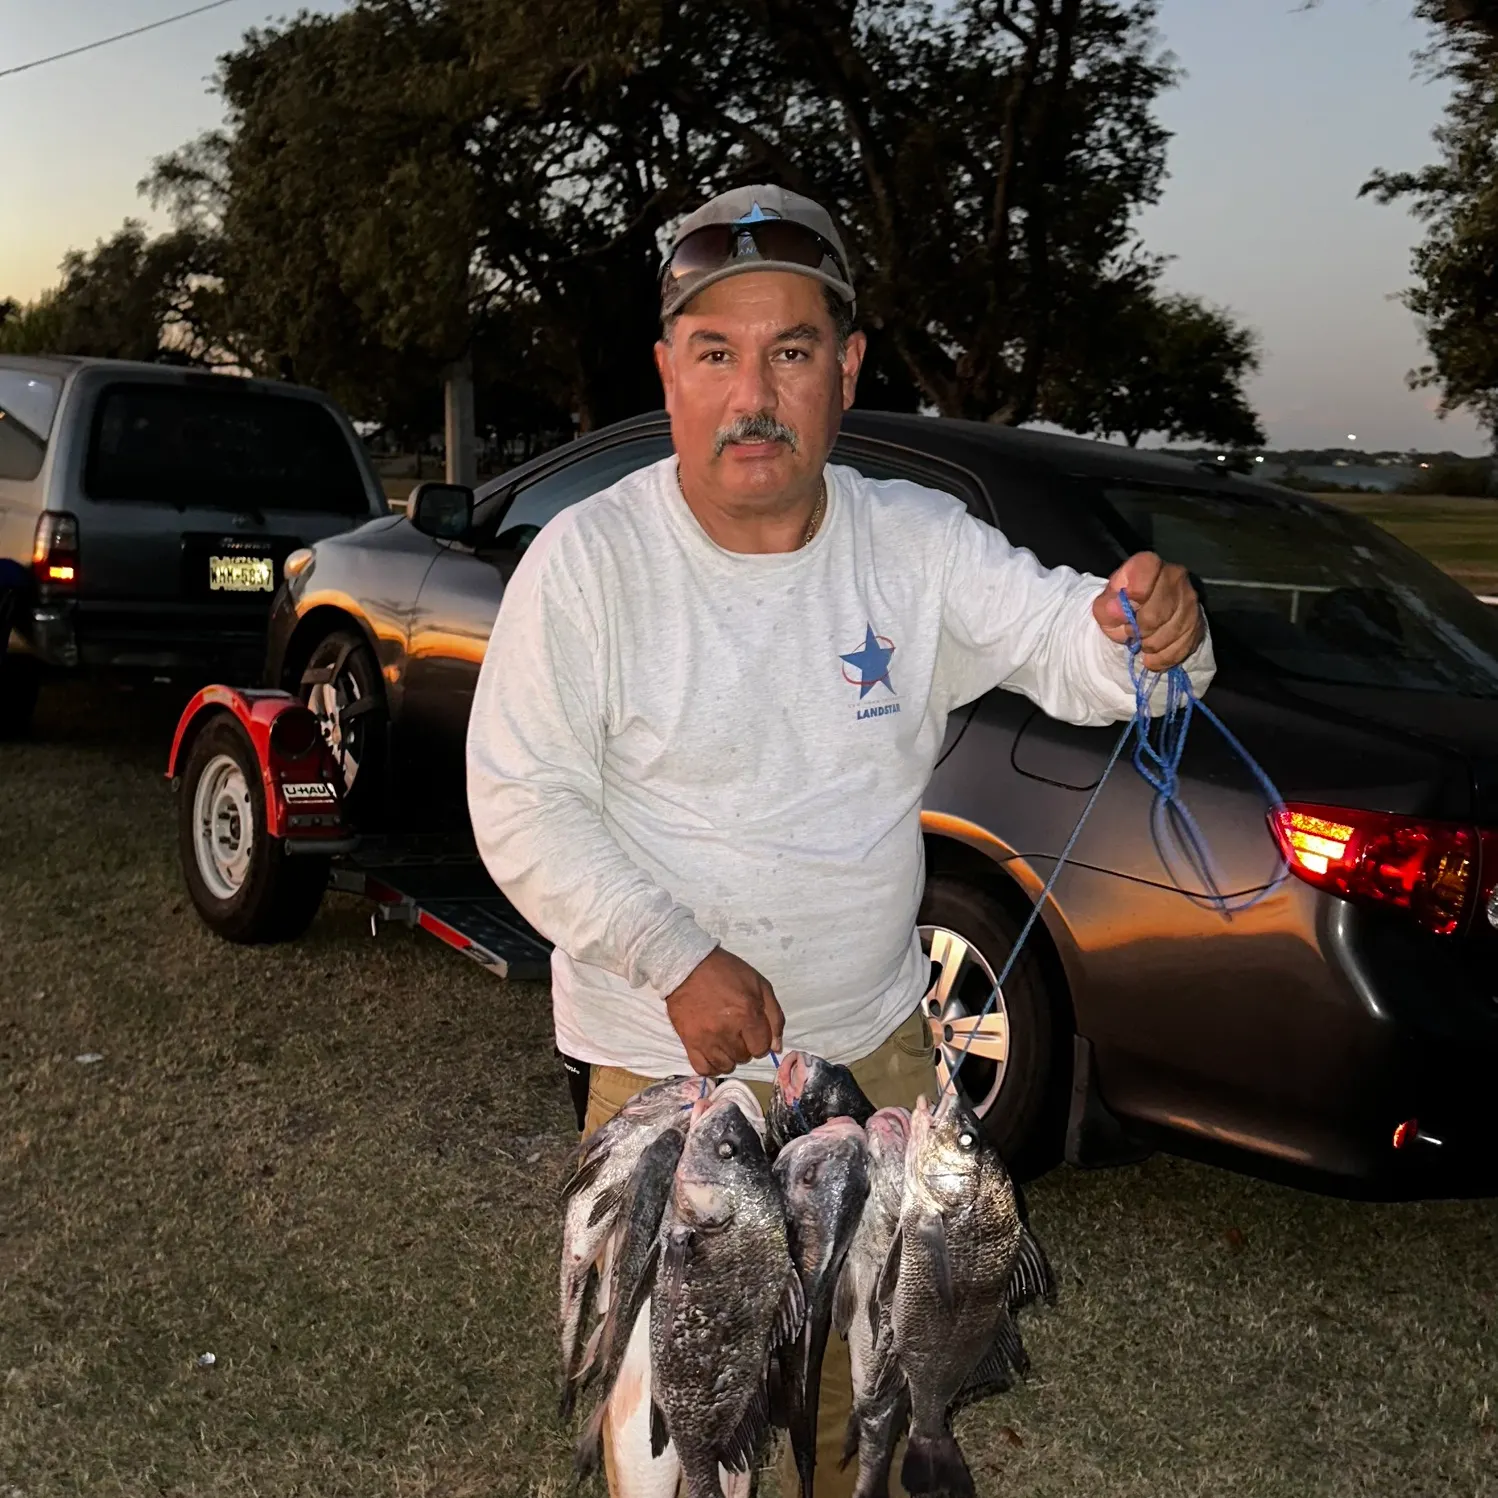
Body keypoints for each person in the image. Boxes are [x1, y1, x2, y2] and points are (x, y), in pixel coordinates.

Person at [466, 184, 1213, 1495]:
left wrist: (1157, 631)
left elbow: (1082, 648)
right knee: (676, 1426)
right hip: (662, 1070)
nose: (752, 394)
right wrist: (674, 955)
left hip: (872, 1056)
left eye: (792, 352)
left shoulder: (913, 545)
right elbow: (520, 800)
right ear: (668, 371)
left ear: (847, 370)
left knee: (853, 1407)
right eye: (715, 352)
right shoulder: (588, 563)